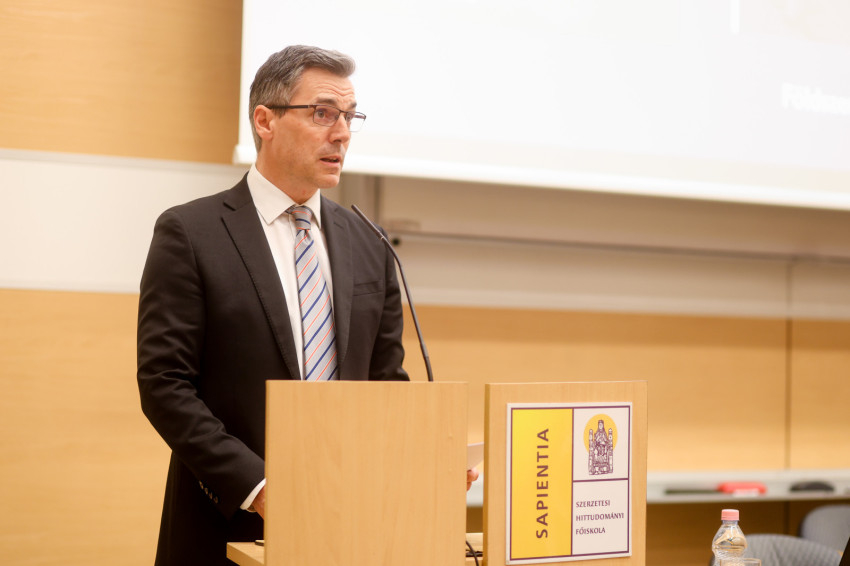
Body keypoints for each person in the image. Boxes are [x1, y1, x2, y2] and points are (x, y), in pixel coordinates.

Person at [137, 45, 477, 566]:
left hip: (352, 526)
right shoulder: (191, 232)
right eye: (322, 113)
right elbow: (165, 384)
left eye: (350, 117)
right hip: (227, 527)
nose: (341, 133)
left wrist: (422, 460)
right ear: (265, 121)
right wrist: (260, 488)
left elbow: (385, 384)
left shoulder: (369, 241)